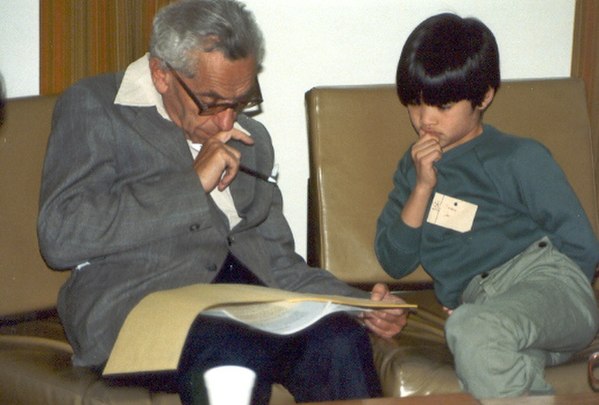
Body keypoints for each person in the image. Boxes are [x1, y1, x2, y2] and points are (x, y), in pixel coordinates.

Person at [37, 0, 407, 404]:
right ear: (162, 74)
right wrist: (192, 182)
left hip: (246, 306)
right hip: (140, 308)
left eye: (242, 101)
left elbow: (278, 262)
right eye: (212, 103)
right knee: (231, 354)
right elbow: (60, 233)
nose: (229, 123)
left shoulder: (254, 140)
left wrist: (357, 305)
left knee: (339, 340)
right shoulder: (96, 107)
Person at [375, 13, 599, 399]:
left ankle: (484, 325)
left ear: (484, 96)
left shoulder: (517, 157)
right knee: (480, 351)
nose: (425, 120)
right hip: (491, 315)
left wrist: (526, 307)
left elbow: (580, 241)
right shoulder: (412, 169)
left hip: (549, 285)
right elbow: (394, 260)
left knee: (469, 331)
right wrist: (421, 188)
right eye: (415, 104)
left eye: (442, 106)